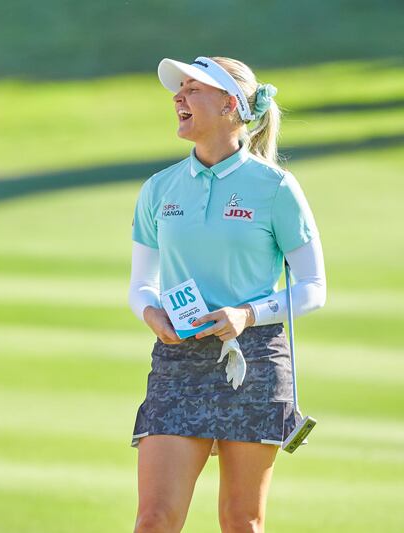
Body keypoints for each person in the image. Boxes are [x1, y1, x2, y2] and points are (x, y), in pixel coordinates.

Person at [128, 56, 326, 533]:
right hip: (179, 360)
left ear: (230, 105)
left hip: (253, 361)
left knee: (242, 522)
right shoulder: (159, 189)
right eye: (180, 89)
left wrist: (247, 314)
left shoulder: (275, 186)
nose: (179, 97)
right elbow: (141, 284)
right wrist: (151, 313)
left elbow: (313, 288)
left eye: (194, 88)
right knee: (154, 520)